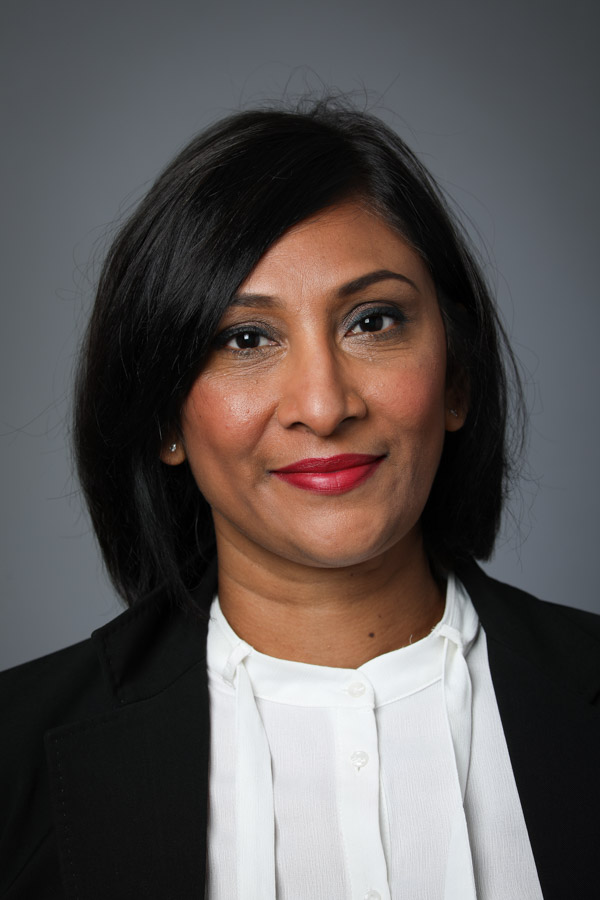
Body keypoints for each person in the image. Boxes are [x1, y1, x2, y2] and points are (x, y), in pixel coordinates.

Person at [1, 98, 598, 900]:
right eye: (245, 338)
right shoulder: (14, 758)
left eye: (372, 322)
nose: (323, 406)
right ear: (164, 419)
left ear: (457, 379)